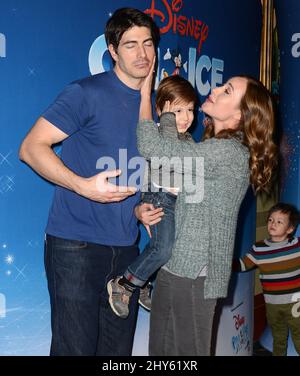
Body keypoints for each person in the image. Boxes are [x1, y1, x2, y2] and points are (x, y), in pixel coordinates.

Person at [18, 8, 162, 356]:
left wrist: (141, 208)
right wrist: (83, 186)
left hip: (127, 249)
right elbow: (30, 148)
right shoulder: (85, 93)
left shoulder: (155, 109)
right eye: (130, 45)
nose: (142, 54)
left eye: (148, 43)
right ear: (112, 51)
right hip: (76, 246)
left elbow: (140, 165)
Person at [136, 62, 278, 355]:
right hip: (175, 266)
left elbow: (158, 152)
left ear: (240, 116)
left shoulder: (229, 153)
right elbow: (172, 182)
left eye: (227, 90)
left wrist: (149, 101)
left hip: (194, 275)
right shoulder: (213, 146)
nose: (214, 89)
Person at [107, 75, 198, 319]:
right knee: (163, 249)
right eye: (177, 110)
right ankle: (125, 284)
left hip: (179, 203)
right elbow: (165, 158)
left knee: (172, 251)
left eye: (190, 109)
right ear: (161, 111)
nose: (186, 116)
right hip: (159, 198)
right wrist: (167, 121)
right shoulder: (157, 134)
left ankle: (143, 280)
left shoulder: (189, 140)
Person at [234, 202, 300, 356]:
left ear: (290, 229)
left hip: (296, 304)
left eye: (279, 221)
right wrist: (223, 264)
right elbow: (243, 264)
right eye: (270, 219)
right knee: (278, 338)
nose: (273, 224)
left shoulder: (297, 245)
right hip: (273, 306)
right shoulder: (259, 248)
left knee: (299, 336)